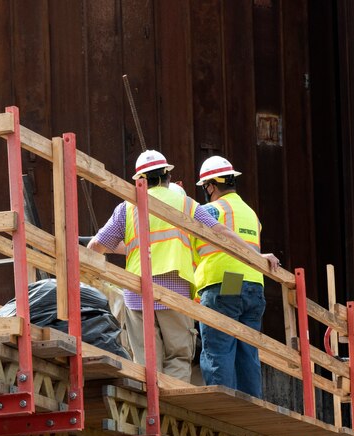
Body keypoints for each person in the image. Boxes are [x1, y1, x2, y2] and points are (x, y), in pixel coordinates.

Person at [88, 150, 245, 382]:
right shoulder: (185, 203)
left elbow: (95, 246)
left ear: (139, 180)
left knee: (144, 359)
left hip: (137, 291)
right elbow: (218, 231)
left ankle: (148, 407)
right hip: (175, 289)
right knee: (179, 355)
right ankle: (171, 407)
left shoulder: (127, 207)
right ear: (167, 176)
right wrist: (254, 255)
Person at [194, 155, 279, 398]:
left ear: (211, 186)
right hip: (253, 285)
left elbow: (190, 241)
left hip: (226, 281)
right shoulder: (251, 214)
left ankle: (224, 408)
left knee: (219, 347)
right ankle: (251, 405)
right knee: (247, 351)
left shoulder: (212, 209)